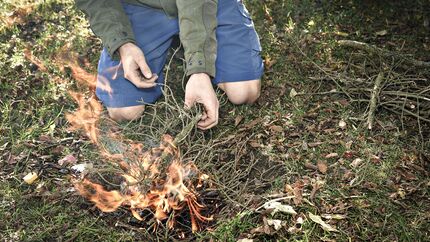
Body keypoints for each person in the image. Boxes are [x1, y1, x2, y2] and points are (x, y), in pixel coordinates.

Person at [75, 0, 264, 130]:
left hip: (209, 3)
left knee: (243, 92)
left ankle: (190, 43)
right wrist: (123, 44)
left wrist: (199, 69)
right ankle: (178, 42)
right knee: (124, 111)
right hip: (141, 6)